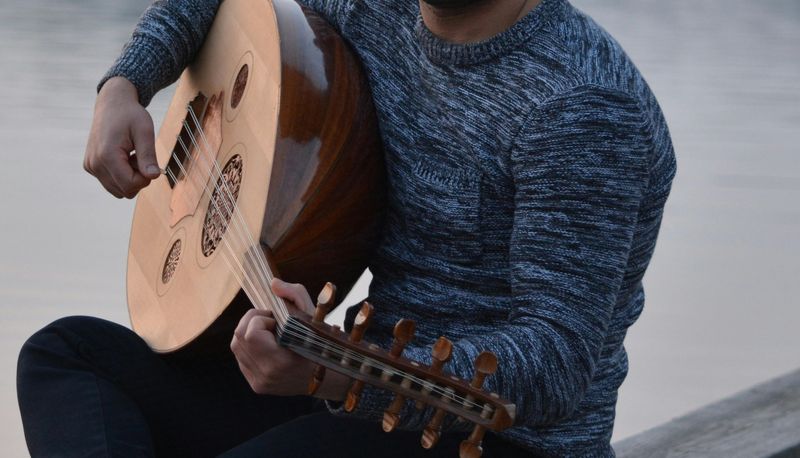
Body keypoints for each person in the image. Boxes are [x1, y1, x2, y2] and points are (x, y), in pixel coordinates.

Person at [17, 0, 676, 456]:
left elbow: (556, 365)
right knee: (67, 354)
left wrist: (334, 376)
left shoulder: (583, 107)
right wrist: (124, 86)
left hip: (496, 439)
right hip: (357, 394)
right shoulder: (373, 9)